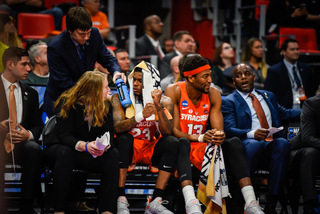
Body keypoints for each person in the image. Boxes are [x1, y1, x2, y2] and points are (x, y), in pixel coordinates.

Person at [165, 55, 264, 214]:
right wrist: (200, 137)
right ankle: (192, 204)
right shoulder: (174, 90)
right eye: (205, 76)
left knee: (233, 143)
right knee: (181, 142)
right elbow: (173, 131)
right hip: (181, 146)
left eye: (210, 75)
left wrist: (218, 135)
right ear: (190, 78)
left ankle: (251, 202)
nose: (210, 80)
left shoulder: (214, 93)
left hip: (203, 146)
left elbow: (219, 130)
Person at [222, 64, 301, 214]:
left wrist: (312, 106)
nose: (243, 77)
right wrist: (252, 133)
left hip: (269, 148)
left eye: (247, 73)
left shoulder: (268, 96)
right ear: (234, 81)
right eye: (239, 75)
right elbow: (229, 129)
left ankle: (271, 203)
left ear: (254, 77)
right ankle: (243, 200)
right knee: (253, 145)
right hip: (246, 148)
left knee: (283, 143)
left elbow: (287, 113)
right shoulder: (229, 101)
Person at [44, 71, 119, 214]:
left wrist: (103, 146)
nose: (109, 90)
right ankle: (59, 209)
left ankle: (107, 210)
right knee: (65, 153)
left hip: (91, 151)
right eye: (105, 87)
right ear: (93, 89)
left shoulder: (106, 105)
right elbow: (64, 136)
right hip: (64, 148)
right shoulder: (68, 103)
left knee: (113, 154)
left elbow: (108, 134)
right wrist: (84, 146)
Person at [111, 61, 179, 214]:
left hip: (149, 149)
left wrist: (158, 107)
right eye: (133, 79)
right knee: (124, 138)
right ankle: (120, 198)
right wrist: (141, 116)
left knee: (172, 142)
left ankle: (156, 201)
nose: (135, 83)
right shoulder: (120, 97)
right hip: (128, 150)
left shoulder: (164, 101)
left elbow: (168, 132)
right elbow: (117, 127)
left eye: (140, 81)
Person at [43, 7, 123, 118]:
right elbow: (63, 83)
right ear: (70, 31)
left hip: (86, 100)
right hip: (62, 101)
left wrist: (116, 71)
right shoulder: (56, 47)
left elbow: (107, 57)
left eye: (88, 32)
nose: (86, 37)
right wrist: (95, 91)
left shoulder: (94, 34)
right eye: (82, 34)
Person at [0, 47, 43, 214]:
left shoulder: (30, 93)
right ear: (10, 64)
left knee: (34, 149)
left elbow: (38, 125)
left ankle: (26, 205)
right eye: (24, 64)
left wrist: (29, 135)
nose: (29, 69)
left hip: (20, 144)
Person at [288, 94, 320, 214]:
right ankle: (309, 205)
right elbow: (308, 138)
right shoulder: (312, 104)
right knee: (311, 153)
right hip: (300, 152)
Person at [264, 38, 316, 109]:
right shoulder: (274, 71)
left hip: (305, 110)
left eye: (297, 49)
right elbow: (269, 94)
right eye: (292, 49)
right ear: (284, 52)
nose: (296, 52)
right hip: (285, 111)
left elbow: (312, 90)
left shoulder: (306, 68)